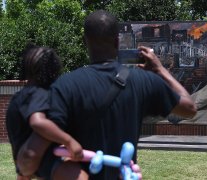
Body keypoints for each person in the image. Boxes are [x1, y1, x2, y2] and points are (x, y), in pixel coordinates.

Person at [47, 10, 196, 179]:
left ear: (85, 42)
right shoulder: (143, 81)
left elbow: (45, 145)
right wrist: (159, 69)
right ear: (117, 42)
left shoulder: (65, 85)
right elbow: (189, 108)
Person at [5, 45, 84, 179]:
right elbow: (38, 122)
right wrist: (69, 141)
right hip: (43, 161)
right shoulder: (39, 93)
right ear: (53, 69)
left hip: (23, 161)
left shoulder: (17, 98)